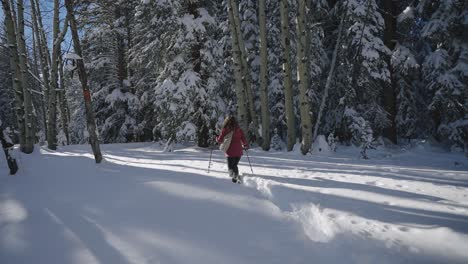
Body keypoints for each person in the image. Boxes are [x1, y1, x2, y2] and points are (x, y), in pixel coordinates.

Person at [216, 116, 248, 182]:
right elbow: (243, 138)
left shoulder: (226, 129)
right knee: (234, 165)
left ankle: (234, 178)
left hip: (230, 151)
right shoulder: (239, 129)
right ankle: (236, 177)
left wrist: (216, 138)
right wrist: (245, 144)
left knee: (231, 167)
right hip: (239, 151)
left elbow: (220, 140)